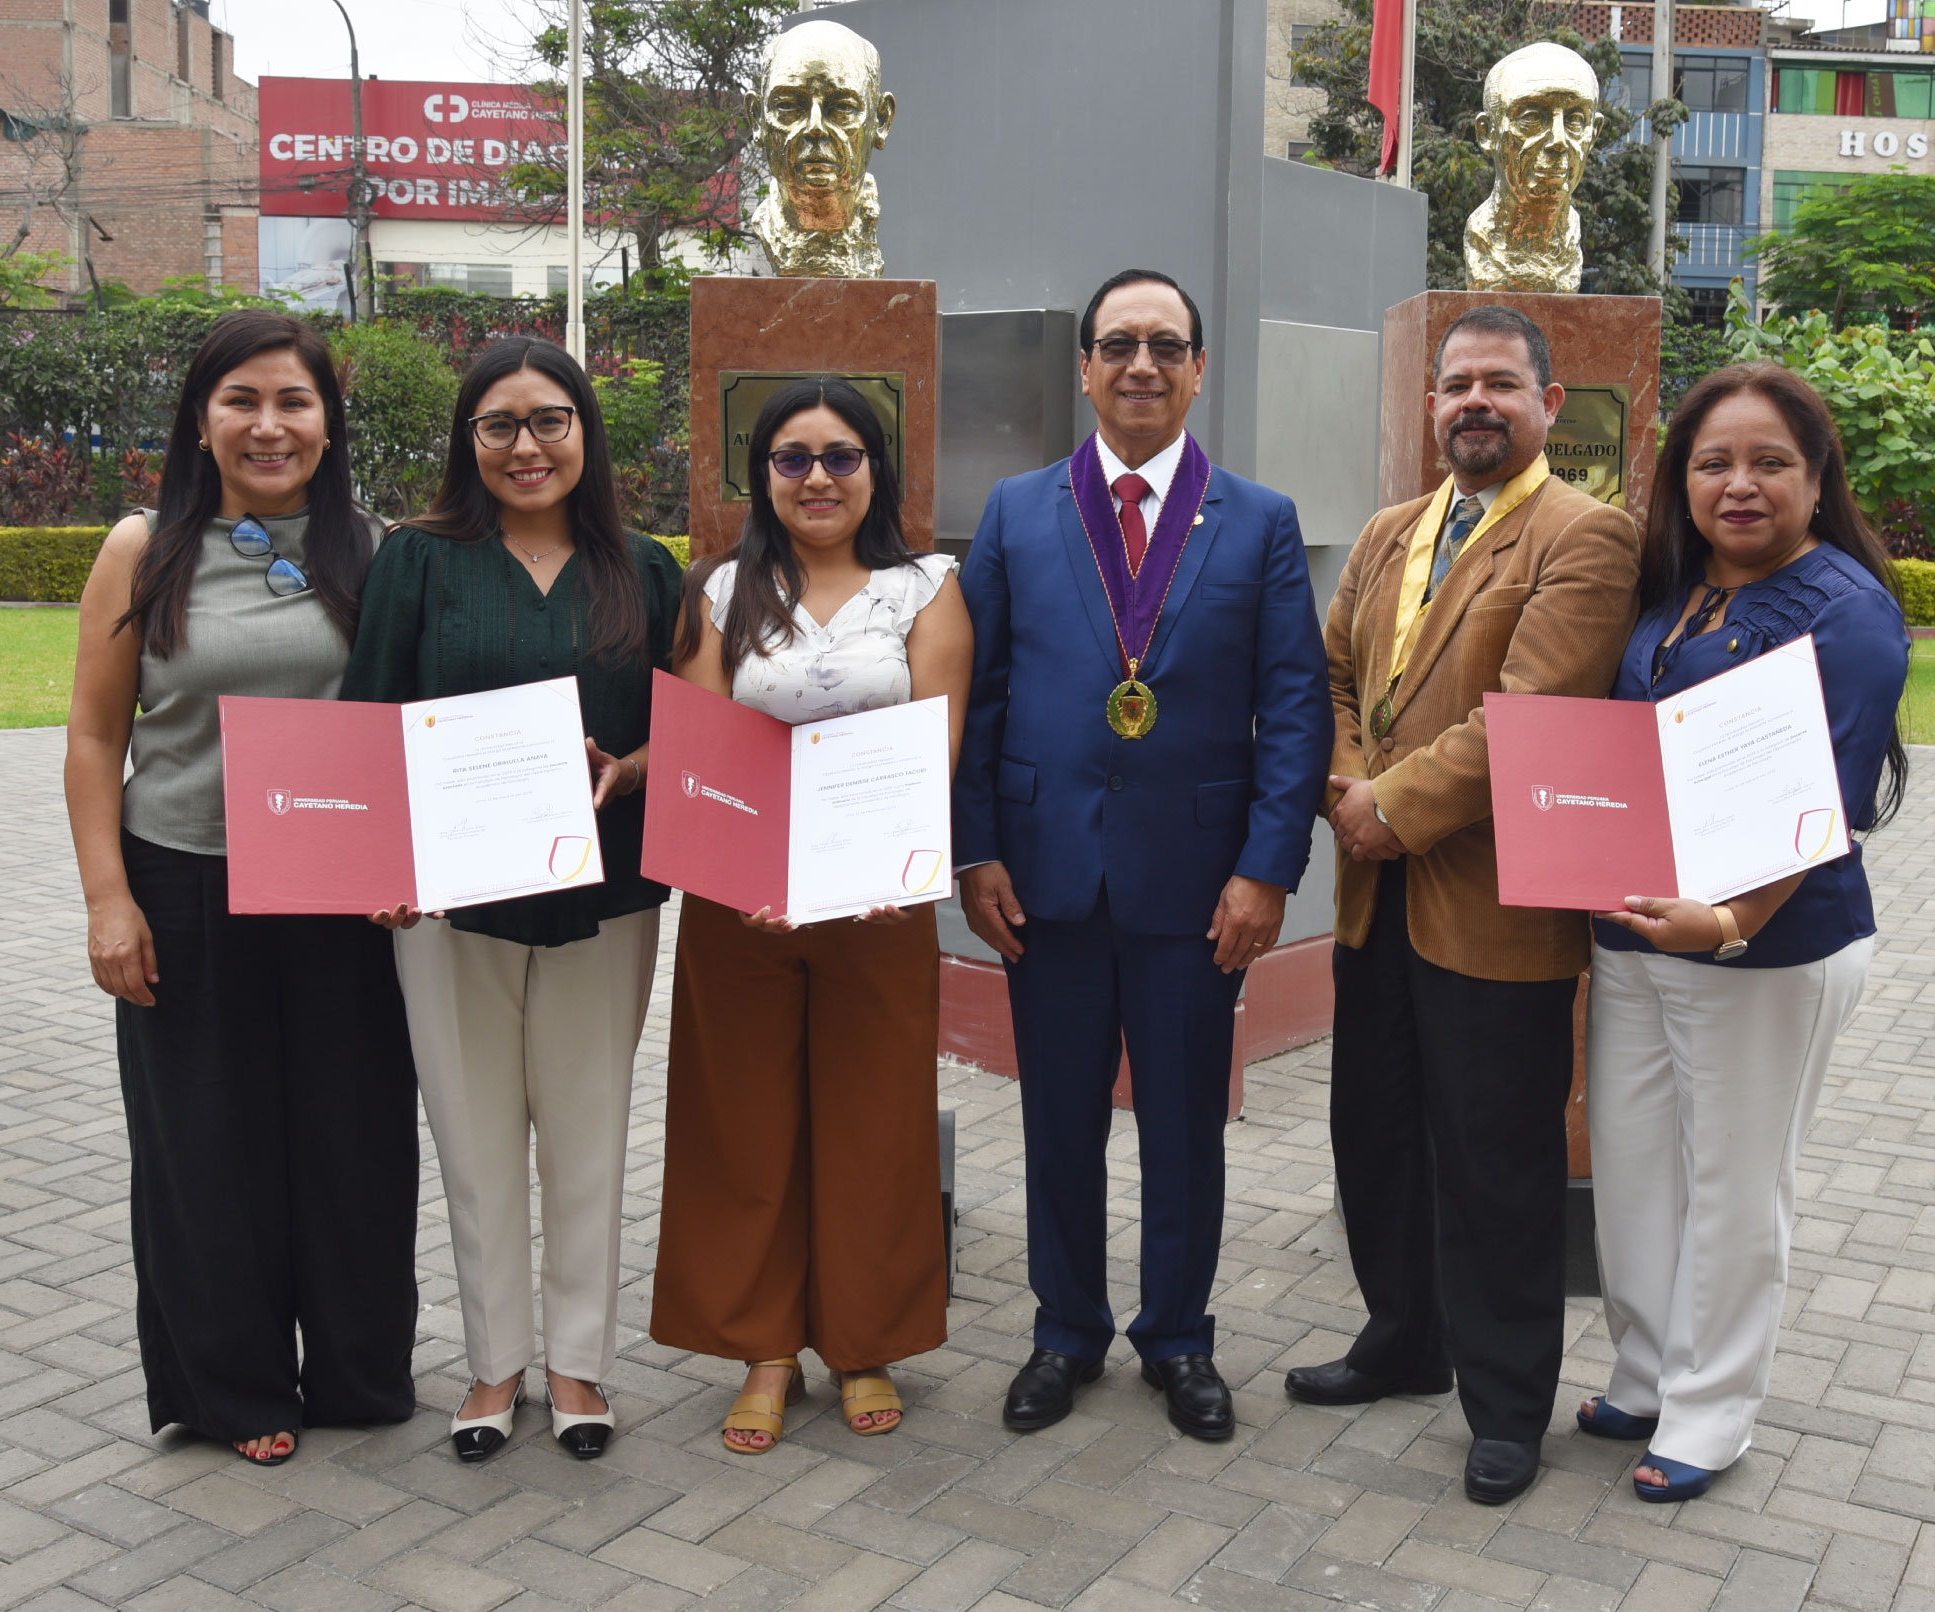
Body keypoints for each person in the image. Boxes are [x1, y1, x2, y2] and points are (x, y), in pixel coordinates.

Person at [955, 268, 1331, 1442]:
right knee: (1055, 1122)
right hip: (1046, 878)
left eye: (1165, 346)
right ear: (1083, 366)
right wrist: (974, 852)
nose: (1140, 366)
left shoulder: (1258, 520)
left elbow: (1294, 706)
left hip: (1195, 886)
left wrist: (1266, 869)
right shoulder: (1015, 512)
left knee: (1181, 1128)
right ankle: (1063, 1329)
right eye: (1117, 344)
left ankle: (1178, 1336)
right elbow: (976, 697)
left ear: (1197, 368)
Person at [1287, 303, 1640, 1507]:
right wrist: (1345, 786)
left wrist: (1384, 804)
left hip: (1491, 900)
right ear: (1428, 404)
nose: (1472, 402)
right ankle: (1402, 1340)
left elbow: (1525, 716)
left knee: (1495, 1164)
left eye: (1499, 382)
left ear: (1547, 404)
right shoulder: (1391, 533)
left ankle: (1503, 1404)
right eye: (1453, 385)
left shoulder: (1585, 538)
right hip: (1370, 894)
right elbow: (1331, 673)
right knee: (1375, 1137)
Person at [63, 308, 412, 1468]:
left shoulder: (374, 546)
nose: (270, 425)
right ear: (202, 419)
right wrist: (109, 902)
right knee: (203, 1145)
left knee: (350, 1135)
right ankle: (233, 1384)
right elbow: (91, 737)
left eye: (294, 402)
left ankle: (360, 1373)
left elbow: (412, 729)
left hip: (340, 891)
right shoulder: (140, 547)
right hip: (182, 883)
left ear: (328, 420)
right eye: (243, 401)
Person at [341, 335, 684, 1465]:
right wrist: (378, 866)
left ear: (585, 433)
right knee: (475, 1135)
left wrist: (625, 769)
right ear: (467, 441)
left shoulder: (644, 565)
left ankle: (578, 1362)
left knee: (587, 1130)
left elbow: (686, 734)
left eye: (549, 421)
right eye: (499, 425)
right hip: (446, 904)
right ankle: (494, 1364)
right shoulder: (418, 562)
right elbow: (366, 724)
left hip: (610, 889)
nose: (526, 446)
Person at [1578, 362, 1910, 1505]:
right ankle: (1641, 1368)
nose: (1738, 484)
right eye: (1713, 461)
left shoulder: (1846, 614)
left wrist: (1724, 919)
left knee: (1730, 1181)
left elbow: (1821, 803)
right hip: (1631, 934)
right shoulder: (1670, 593)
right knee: (1632, 1168)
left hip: (1765, 946)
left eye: (1769, 461)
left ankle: (1709, 1411)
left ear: (1816, 480)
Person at [650, 379, 968, 1453]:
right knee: (740, 1121)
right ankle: (765, 1346)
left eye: (839, 456)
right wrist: (747, 874)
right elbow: (698, 754)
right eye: (792, 458)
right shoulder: (723, 589)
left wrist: (888, 858)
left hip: (876, 903)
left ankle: (863, 1338)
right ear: (763, 476)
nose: (817, 477)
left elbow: (934, 743)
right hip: (741, 907)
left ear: (875, 469)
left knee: (874, 1117)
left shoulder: (926, 588)